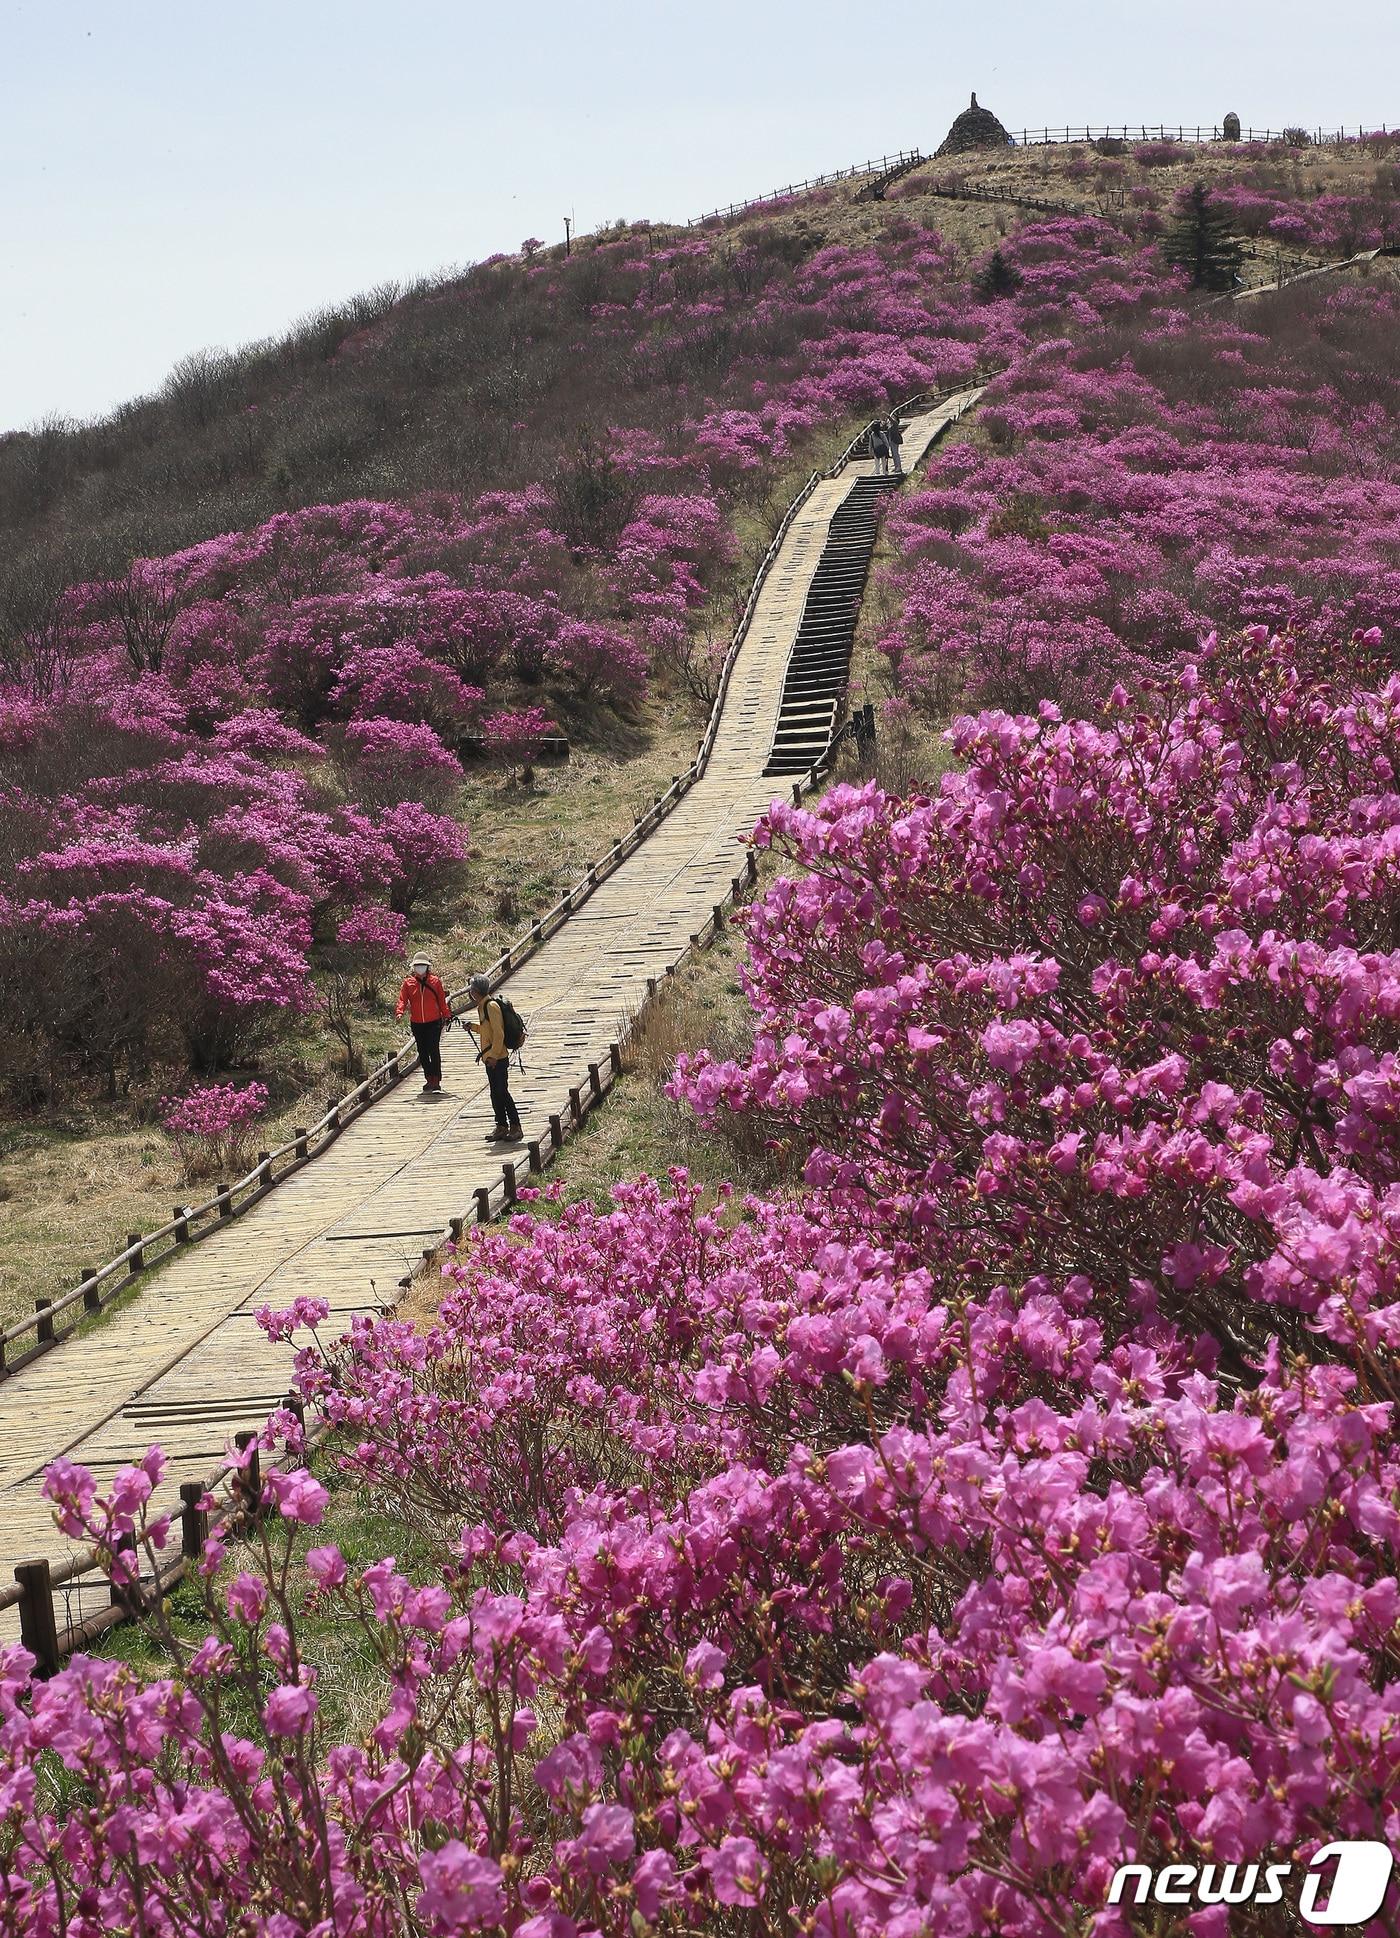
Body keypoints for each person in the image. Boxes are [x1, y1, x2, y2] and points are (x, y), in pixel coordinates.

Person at [465, 973, 523, 1142]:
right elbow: (488, 1030)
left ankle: (515, 1126)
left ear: (475, 991)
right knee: (495, 1093)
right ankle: (501, 1126)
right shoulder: (483, 1006)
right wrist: (474, 1027)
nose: (470, 993)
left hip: (497, 1058)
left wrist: (495, 1056)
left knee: (502, 1092)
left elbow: (499, 1034)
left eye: (471, 990)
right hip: (491, 1058)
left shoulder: (490, 1006)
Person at [395, 953, 453, 1092]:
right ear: (413, 968)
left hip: (434, 1022)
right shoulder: (408, 983)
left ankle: (436, 1080)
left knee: (433, 1050)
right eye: (417, 966)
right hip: (417, 1023)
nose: (420, 968)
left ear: (427, 967)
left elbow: (441, 1001)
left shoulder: (435, 981)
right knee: (422, 1051)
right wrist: (399, 1012)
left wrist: (447, 1015)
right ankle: (429, 1079)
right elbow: (402, 999)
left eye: (422, 965)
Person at [885, 413, 903, 478]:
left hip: (895, 440)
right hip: (891, 441)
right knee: (893, 454)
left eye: (893, 417)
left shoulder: (895, 423)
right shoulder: (890, 425)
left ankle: (898, 467)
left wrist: (887, 416)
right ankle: (896, 467)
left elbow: (892, 420)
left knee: (896, 454)